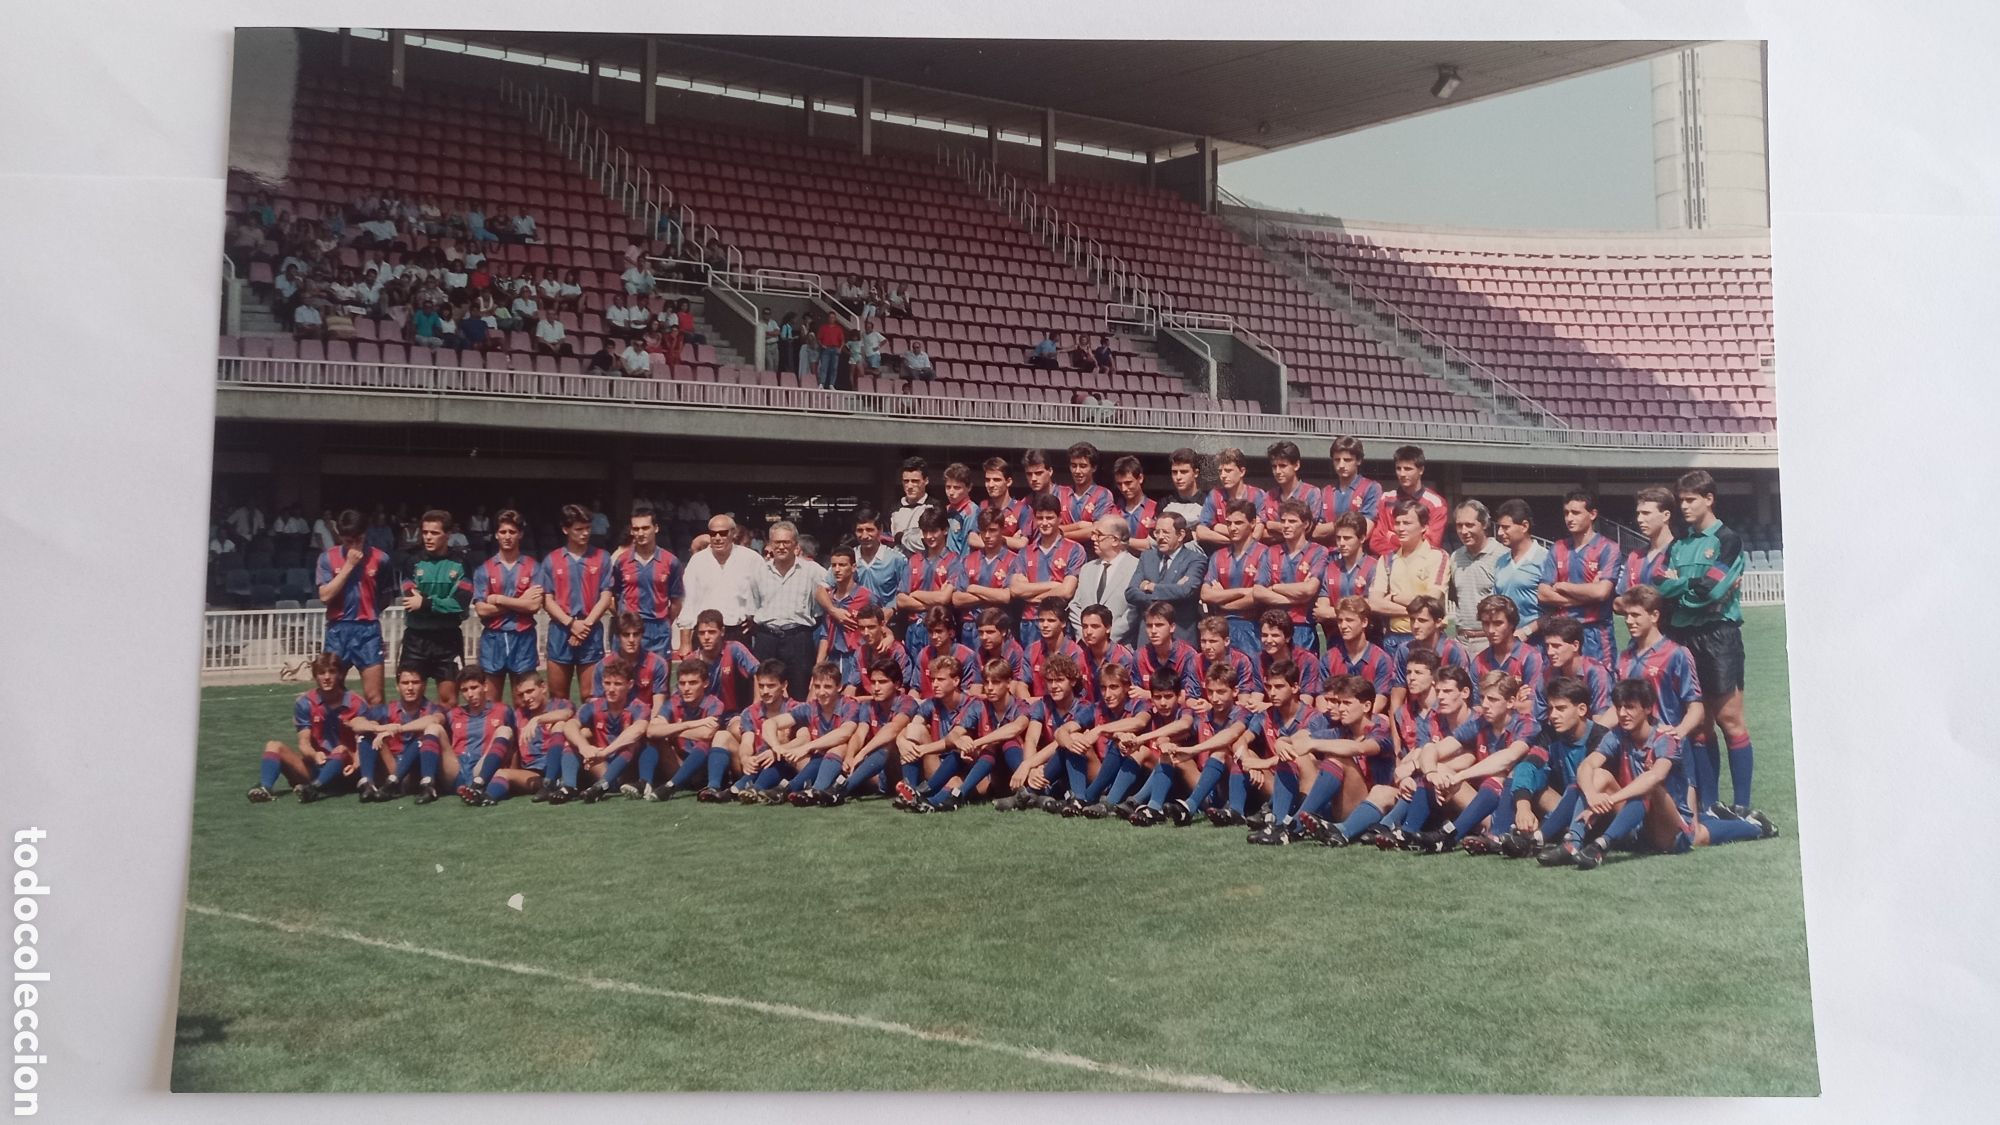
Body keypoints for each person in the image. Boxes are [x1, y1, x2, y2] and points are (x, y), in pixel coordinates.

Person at [1538, 678, 1776, 870]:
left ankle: (1755, 827)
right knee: (1597, 776)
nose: (1622, 714)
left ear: (1647, 708)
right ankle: (1572, 843)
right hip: (1635, 819)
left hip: (1671, 823)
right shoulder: (1617, 735)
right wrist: (1592, 795)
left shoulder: (1665, 738)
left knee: (1694, 830)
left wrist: (1609, 800)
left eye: (1630, 707)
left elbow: (1655, 778)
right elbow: (1586, 766)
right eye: (1619, 707)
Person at [1656, 470, 1758, 818]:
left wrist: (1680, 589)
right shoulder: (1678, 544)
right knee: (1698, 723)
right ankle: (1710, 804)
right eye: (1680, 500)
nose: (1683, 506)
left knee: (1729, 719)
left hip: (1719, 635)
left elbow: (1712, 591)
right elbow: (1660, 585)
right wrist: (1689, 589)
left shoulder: (1728, 540)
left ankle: (1742, 804)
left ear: (1709, 499)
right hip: (1683, 637)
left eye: (1690, 500)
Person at [1401, 671, 1541, 854]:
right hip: (1483, 804)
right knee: (1440, 769)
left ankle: (1452, 835)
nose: (1484, 705)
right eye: (1482, 698)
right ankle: (1406, 833)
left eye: (1492, 699)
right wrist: (1432, 774)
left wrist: (1461, 776)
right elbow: (1433, 749)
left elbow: (1508, 758)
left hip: (1519, 807)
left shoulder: (1526, 724)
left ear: (1511, 702)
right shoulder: (1479, 721)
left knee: (1501, 775)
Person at [248, 653, 372, 803]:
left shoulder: (356, 703)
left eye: (332, 672)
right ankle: (265, 788)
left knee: (340, 750)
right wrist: (314, 755)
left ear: (340, 675)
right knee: (273, 746)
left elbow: (363, 744)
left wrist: (355, 761)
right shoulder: (305, 703)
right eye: (321, 673)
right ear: (315, 676)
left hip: (346, 769)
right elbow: (304, 743)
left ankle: (314, 789)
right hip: (317, 765)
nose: (326, 677)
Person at [1236, 658, 1334, 844]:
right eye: (1269, 687)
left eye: (1279, 687)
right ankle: (1275, 820)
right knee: (1244, 755)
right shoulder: (1266, 714)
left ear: (1295, 687)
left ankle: (1274, 816)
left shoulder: (1313, 717)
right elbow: (1242, 739)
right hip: (1276, 781)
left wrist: (1262, 763)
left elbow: (1297, 750)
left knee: (1296, 758)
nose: (1272, 693)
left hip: (1307, 786)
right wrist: (1249, 761)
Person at [535, 504, 615, 705]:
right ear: (565, 529)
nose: (585, 533)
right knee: (558, 697)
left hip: (591, 630)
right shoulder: (551, 560)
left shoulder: (602, 557)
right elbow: (547, 599)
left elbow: (606, 596)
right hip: (561, 632)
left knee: (592, 696)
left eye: (587, 528)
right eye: (579, 529)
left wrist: (585, 625)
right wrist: (571, 624)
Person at [314, 509, 392, 706]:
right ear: (340, 537)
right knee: (331, 692)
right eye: (348, 541)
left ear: (365, 533)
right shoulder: (327, 558)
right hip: (338, 630)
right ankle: (333, 736)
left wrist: (369, 613)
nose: (353, 545)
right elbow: (325, 596)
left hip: (368, 631)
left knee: (375, 697)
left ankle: (374, 736)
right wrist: (348, 566)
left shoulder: (381, 558)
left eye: (358, 539)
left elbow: (386, 595)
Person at [398, 509, 473, 708]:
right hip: (416, 639)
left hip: (447, 640)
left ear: (447, 534)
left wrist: (426, 603)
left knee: (449, 701)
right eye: (425, 532)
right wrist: (441, 603)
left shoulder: (461, 563)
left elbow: (460, 603)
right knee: (410, 698)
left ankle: (444, 738)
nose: (428, 537)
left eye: (434, 533)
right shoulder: (411, 562)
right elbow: (410, 601)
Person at [1536, 490, 1622, 661]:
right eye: (1566, 513)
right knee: (1564, 686)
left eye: (1575, 513)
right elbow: (1543, 593)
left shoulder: (1608, 548)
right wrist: (1588, 595)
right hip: (1563, 632)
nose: (1569, 518)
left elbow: (1602, 592)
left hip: (1595, 631)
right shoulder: (1557, 548)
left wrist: (1564, 586)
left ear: (1592, 514)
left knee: (1600, 682)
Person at [745, 520, 824, 701]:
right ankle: (763, 727)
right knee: (765, 689)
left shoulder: (812, 571)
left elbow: (823, 603)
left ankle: (799, 728)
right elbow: (752, 608)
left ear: (795, 545)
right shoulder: (758, 572)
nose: (781, 547)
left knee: (799, 689)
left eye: (786, 542)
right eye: (776, 543)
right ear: (770, 544)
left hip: (799, 638)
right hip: (767, 638)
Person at [1366, 499, 1454, 661]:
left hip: (1429, 640)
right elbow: (1374, 603)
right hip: (1394, 640)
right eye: (1397, 523)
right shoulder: (1386, 559)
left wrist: (1393, 597)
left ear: (1424, 527)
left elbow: (1431, 600)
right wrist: (1418, 610)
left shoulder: (1438, 556)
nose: (1400, 528)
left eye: (1407, 523)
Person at [471, 509, 543, 701]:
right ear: (496, 534)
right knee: (490, 704)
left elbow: (534, 606)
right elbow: (482, 609)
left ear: (520, 534)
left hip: (523, 637)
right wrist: (521, 601)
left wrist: (500, 599)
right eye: (503, 532)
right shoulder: (484, 569)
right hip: (493, 638)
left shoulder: (533, 567)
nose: (507, 536)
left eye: (512, 532)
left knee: (524, 701)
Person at [557, 660, 652, 804]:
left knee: (634, 742)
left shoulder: (639, 707)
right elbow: (569, 725)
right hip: (600, 765)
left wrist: (605, 752)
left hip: (625, 771)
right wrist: (584, 747)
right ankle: (569, 787)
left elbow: (638, 730)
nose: (611, 689)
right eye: (607, 683)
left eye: (618, 684)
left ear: (630, 685)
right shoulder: (593, 706)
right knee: (574, 739)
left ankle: (602, 786)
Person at [353, 667, 450, 803]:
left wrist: (398, 729)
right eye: (405, 683)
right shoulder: (386, 709)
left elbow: (435, 720)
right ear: (397, 687)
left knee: (425, 735)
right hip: (391, 766)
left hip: (416, 771)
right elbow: (356, 723)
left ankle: (397, 782)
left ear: (424, 685)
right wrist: (380, 728)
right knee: (366, 734)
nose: (410, 687)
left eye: (415, 682)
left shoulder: (433, 708)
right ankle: (367, 784)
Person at [1007, 495, 1085, 647]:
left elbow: (1067, 591)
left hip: (1059, 622)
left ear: (1059, 518)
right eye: (1040, 518)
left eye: (1049, 518)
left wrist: (1031, 596)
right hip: (1029, 622)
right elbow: (1016, 589)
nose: (1044, 523)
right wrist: (1054, 585)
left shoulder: (1075, 550)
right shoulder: (1025, 552)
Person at [677, 513, 761, 653]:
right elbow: (688, 601)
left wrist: (756, 618)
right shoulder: (697, 561)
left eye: (722, 533)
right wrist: (685, 643)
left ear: (733, 533)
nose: (717, 538)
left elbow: (763, 594)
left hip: (738, 632)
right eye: (713, 533)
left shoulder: (751, 559)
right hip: (705, 633)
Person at [647, 660, 727, 801]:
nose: (686, 688)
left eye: (693, 683)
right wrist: (690, 725)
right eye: (682, 683)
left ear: (705, 683)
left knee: (706, 742)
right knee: (655, 740)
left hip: (702, 767)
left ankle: (671, 786)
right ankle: (645, 783)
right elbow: (652, 731)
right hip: (677, 763)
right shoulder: (673, 702)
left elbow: (705, 734)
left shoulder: (714, 704)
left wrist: (671, 729)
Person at [1254, 499, 1327, 654]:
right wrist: (1296, 598)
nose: (1286, 525)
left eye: (1292, 521)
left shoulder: (1318, 552)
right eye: (1283, 521)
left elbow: (1309, 589)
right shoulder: (1271, 551)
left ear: (1306, 524)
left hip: (1303, 626)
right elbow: (1258, 591)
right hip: (1274, 628)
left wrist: (1275, 587)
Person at [612, 503, 685, 658]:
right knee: (623, 679)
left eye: (645, 528)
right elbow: (613, 596)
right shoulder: (621, 561)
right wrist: (624, 619)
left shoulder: (671, 562)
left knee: (658, 678)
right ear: (631, 531)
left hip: (658, 630)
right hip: (628, 630)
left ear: (656, 528)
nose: (640, 533)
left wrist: (664, 624)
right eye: (636, 529)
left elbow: (676, 601)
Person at [1127, 513, 1206, 644]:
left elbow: (1186, 591)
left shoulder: (1195, 560)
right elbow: (1131, 592)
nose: (1160, 537)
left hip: (1180, 636)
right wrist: (1172, 590)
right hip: (1148, 638)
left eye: (1165, 532)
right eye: (1157, 532)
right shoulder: (1147, 557)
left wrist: (1149, 587)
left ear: (1180, 535)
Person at [1471, 594, 1550, 723]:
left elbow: (1531, 708)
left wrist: (1493, 704)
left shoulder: (1530, 657)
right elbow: (1476, 708)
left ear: (1512, 623)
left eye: (1498, 623)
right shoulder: (1479, 661)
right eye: (1486, 623)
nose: (1491, 630)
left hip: (1524, 729)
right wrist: (1512, 702)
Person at [896, 510, 962, 661]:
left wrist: (916, 594)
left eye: (933, 531)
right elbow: (900, 600)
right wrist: (933, 602)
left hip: (939, 630)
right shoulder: (914, 560)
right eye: (925, 532)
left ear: (945, 530)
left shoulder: (954, 561)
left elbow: (944, 598)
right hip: (913, 629)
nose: (928, 537)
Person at [1321, 596, 1401, 718]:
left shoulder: (1381, 659)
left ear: (1364, 622)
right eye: (1340, 621)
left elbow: (1380, 700)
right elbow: (1321, 699)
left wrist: (1354, 718)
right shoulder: (1329, 657)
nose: (1343, 626)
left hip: (1367, 720)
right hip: (1335, 719)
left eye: (1349, 620)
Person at [1446, 500, 1507, 653]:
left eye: (1469, 525)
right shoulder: (1455, 557)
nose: (1464, 531)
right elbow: (1451, 602)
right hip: (1460, 642)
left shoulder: (1503, 556)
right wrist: (1450, 637)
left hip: (1489, 641)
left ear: (1485, 524)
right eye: (1459, 525)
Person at [1073, 516, 1140, 647]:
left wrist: (1106, 639)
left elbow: (1133, 611)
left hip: (1120, 649)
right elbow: (1075, 605)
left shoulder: (1136, 568)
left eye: (1098, 535)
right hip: (1087, 649)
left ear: (1115, 540)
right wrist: (1085, 634)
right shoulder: (1087, 569)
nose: (1093, 538)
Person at [1367, 445, 1448, 556]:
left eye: (1408, 469)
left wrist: (1392, 537)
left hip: (1420, 568)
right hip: (1390, 566)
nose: (1402, 474)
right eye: (1398, 468)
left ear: (1421, 470)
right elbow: (1376, 542)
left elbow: (1431, 545)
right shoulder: (1386, 499)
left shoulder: (1436, 503)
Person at [956, 508, 1019, 648]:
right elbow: (957, 599)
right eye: (983, 531)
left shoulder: (1013, 560)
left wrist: (973, 588)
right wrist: (993, 594)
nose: (987, 535)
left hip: (999, 629)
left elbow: (1006, 596)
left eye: (992, 530)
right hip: (970, 628)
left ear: (1002, 530)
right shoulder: (967, 560)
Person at [1491, 499, 1551, 639]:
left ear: (1524, 526)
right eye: (1499, 527)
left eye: (1506, 527)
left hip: (1539, 643)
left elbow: (1557, 610)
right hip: (1508, 643)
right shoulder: (1501, 562)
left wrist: (1527, 631)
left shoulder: (1546, 559)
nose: (1500, 532)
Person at [1540, 616, 1615, 723]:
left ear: (1575, 645)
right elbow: (1538, 713)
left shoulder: (1596, 673)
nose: (1550, 652)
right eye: (1547, 646)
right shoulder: (1548, 673)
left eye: (1556, 646)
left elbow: (1601, 717)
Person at [687, 608, 762, 712]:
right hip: (701, 717)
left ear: (722, 631)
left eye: (712, 632)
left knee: (738, 728)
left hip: (730, 715)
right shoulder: (691, 660)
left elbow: (759, 671)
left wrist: (757, 703)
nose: (706, 637)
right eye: (702, 633)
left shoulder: (734, 649)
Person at [1195, 448, 1267, 548]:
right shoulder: (1214, 495)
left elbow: (1260, 527)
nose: (1223, 475)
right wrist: (1233, 541)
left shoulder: (1257, 495)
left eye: (1228, 471)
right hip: (1221, 552)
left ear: (1242, 472)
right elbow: (1201, 531)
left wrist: (1217, 527)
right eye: (1220, 471)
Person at [1315, 436, 1383, 540]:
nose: (1341, 465)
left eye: (1347, 460)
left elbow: (1365, 530)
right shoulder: (1325, 491)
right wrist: (1349, 524)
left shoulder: (1371, 488)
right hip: (1329, 555)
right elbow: (1316, 532)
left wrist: (1331, 527)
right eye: (1337, 460)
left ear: (1358, 460)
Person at [1259, 441, 1324, 547]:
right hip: (1274, 556)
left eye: (1283, 466)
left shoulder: (1311, 493)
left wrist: (1272, 525)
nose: (1278, 471)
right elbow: (1262, 533)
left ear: (1296, 465)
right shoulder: (1268, 495)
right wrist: (1294, 530)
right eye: (1274, 467)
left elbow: (1308, 530)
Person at [1618, 486, 1679, 595]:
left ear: (1665, 516)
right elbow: (1621, 598)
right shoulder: (1634, 557)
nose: (1639, 519)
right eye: (1638, 513)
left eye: (1646, 513)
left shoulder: (1681, 555)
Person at [1058, 442, 1113, 543]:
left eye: (1083, 466)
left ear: (1094, 468)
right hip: (1062, 554)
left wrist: (1062, 534)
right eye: (1074, 466)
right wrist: (1079, 525)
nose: (1077, 471)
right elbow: (1049, 527)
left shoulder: (1103, 494)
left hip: (1091, 556)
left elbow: (1096, 530)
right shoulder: (1060, 493)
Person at [1106, 456, 1158, 555]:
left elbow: (1153, 544)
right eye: (1119, 484)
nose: (1124, 488)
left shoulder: (1155, 509)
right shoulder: (1112, 510)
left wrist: (1120, 540)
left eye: (1128, 483)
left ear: (1140, 478)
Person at [888, 456, 935, 555]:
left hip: (924, 565)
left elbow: (930, 543)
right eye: (906, 481)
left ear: (926, 481)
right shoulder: (893, 510)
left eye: (915, 481)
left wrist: (900, 537)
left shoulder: (934, 507)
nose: (909, 486)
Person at [1160, 448, 1207, 533]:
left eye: (1184, 472)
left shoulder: (1207, 503)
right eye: (1174, 472)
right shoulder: (1164, 503)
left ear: (1196, 473)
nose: (1178, 477)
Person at [814, 315, 846, 390]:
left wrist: (840, 349)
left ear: (835, 319)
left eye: (833, 317)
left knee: (834, 368)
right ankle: (822, 383)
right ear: (828, 318)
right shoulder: (823, 327)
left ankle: (832, 384)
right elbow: (818, 339)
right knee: (824, 367)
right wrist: (822, 345)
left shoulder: (838, 328)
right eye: (830, 317)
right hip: (826, 348)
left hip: (835, 348)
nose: (831, 318)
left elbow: (842, 340)